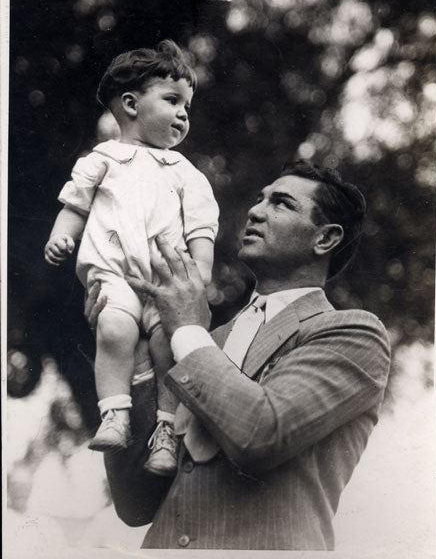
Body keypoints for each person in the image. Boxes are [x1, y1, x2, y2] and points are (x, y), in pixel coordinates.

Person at [86, 161, 391, 550]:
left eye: (281, 203)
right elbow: (134, 503)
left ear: (326, 239)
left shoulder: (353, 334)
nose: (255, 210)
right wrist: (137, 358)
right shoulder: (203, 343)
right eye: (259, 198)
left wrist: (185, 328)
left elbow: (262, 431)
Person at [44, 40, 219, 477]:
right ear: (130, 104)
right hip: (115, 273)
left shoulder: (185, 172)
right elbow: (75, 207)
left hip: (166, 282)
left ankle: (164, 431)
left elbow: (201, 227)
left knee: (168, 343)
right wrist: (61, 238)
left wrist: (199, 274)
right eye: (173, 100)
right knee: (115, 327)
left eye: (188, 107)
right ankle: (115, 413)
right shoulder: (103, 159)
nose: (183, 114)